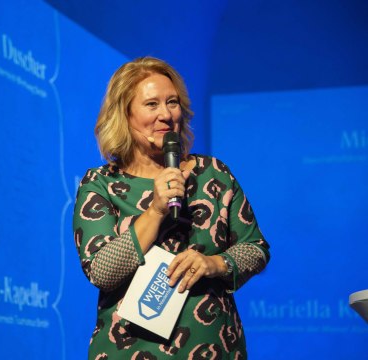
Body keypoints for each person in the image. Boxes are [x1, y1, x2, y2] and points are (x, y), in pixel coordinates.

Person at [72, 56, 270, 359]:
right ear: (124, 115)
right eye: (151, 104)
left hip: (214, 348)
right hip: (130, 349)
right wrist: (155, 210)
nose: (166, 114)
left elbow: (255, 249)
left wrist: (215, 264)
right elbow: (101, 271)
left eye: (173, 102)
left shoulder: (212, 174)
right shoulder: (101, 184)